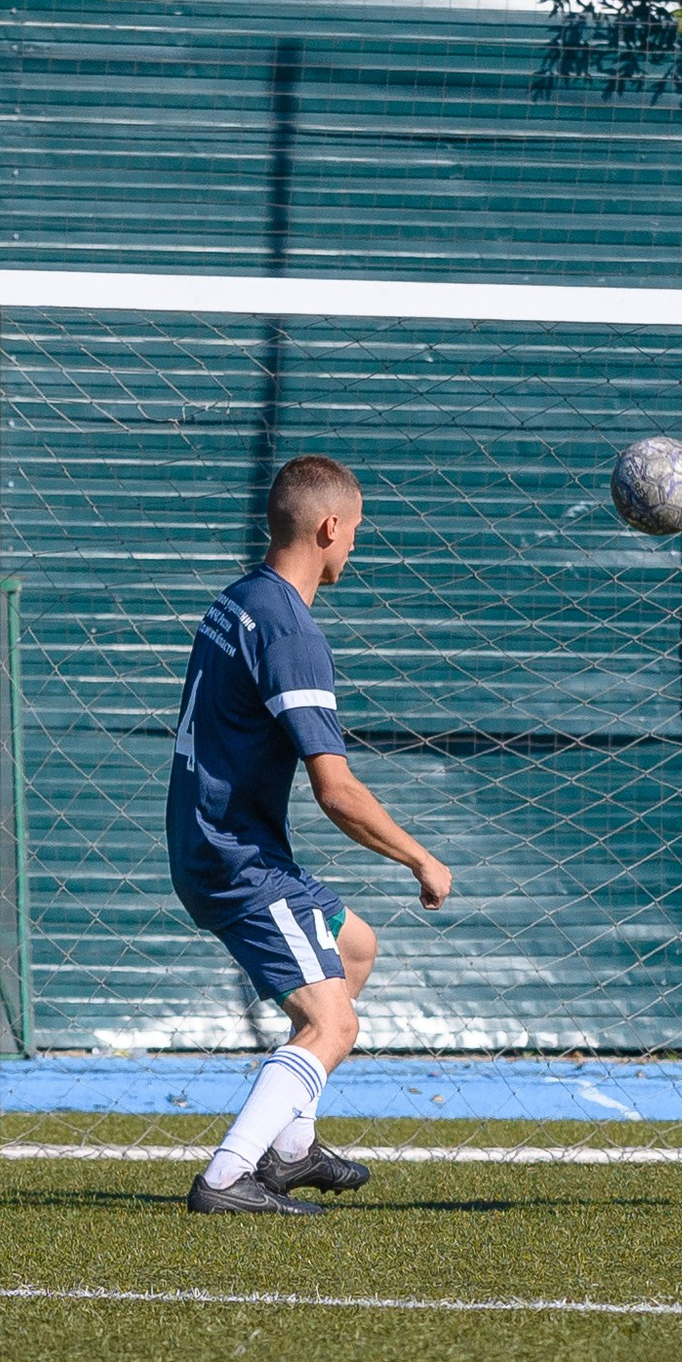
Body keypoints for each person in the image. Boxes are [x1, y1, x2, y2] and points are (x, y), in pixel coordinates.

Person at [167, 454, 452, 1215]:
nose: (355, 546)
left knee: (355, 947)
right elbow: (337, 790)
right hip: (237, 859)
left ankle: (291, 1151)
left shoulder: (238, 600)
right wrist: (420, 857)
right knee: (335, 1022)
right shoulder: (293, 632)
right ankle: (228, 1176)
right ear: (329, 527)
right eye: (355, 531)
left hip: (209, 842)